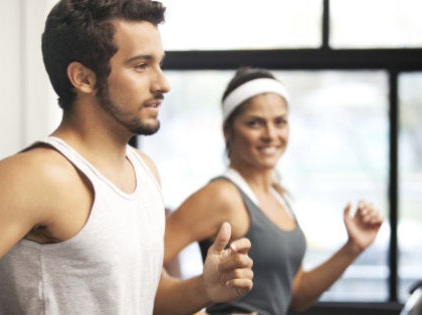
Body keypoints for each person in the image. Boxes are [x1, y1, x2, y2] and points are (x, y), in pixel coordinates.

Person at [0, 1, 253, 314]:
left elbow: (143, 298)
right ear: (83, 78)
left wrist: (205, 289)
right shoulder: (37, 175)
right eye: (141, 66)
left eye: (159, 64)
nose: (162, 83)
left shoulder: (145, 169)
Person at [163, 67, 384, 315]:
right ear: (228, 130)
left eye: (279, 122)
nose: (270, 134)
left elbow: (293, 295)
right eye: (255, 123)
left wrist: (352, 248)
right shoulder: (221, 195)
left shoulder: (278, 197)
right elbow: (141, 263)